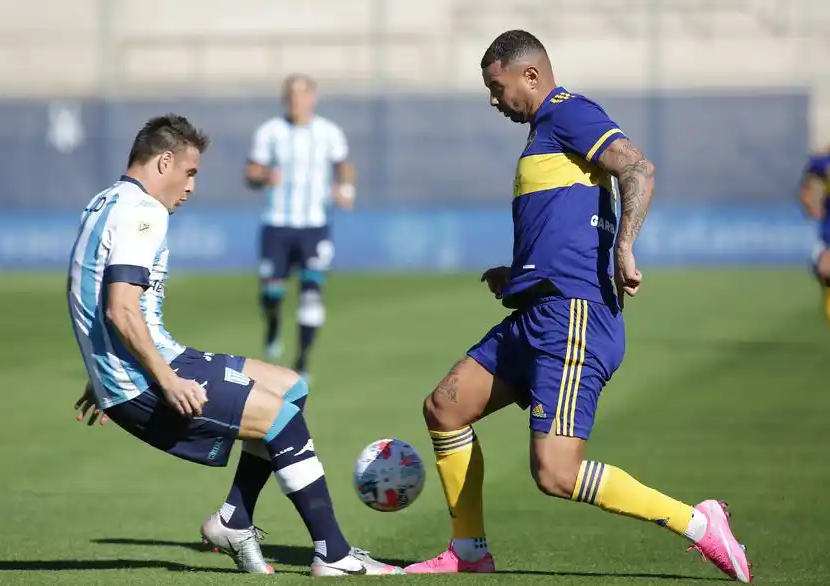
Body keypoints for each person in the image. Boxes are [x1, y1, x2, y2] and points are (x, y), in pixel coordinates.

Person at [402, 30, 752, 583]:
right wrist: (516, 276)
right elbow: (566, 225)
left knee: (556, 474)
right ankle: (469, 552)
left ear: (531, 76)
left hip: (574, 318)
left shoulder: (567, 112)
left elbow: (637, 169)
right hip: (536, 311)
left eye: (498, 87)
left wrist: (626, 244)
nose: (495, 100)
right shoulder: (546, 133)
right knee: (445, 408)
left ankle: (699, 523)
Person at [68, 114, 399, 577]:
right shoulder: (145, 211)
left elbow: (89, 284)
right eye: (190, 172)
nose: (190, 187)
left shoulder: (105, 201)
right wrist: (164, 380)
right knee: (281, 419)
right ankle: (333, 554)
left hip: (136, 367)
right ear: (165, 161)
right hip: (148, 377)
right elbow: (120, 308)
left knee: (290, 388)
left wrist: (99, 367)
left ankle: (233, 519)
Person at [246, 74, 355, 381]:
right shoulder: (270, 132)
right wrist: (263, 176)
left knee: (311, 294)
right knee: (272, 292)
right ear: (285, 99)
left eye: (303, 95)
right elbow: (251, 171)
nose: (297, 101)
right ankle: (272, 325)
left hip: (314, 227)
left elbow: (343, 164)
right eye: (292, 96)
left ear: (313, 98)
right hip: (277, 224)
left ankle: (302, 361)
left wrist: (345, 188)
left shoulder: (328, 132)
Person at [799, 146, 830, 324]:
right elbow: (807, 192)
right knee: (825, 267)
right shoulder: (822, 163)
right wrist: (811, 203)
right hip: (828, 239)